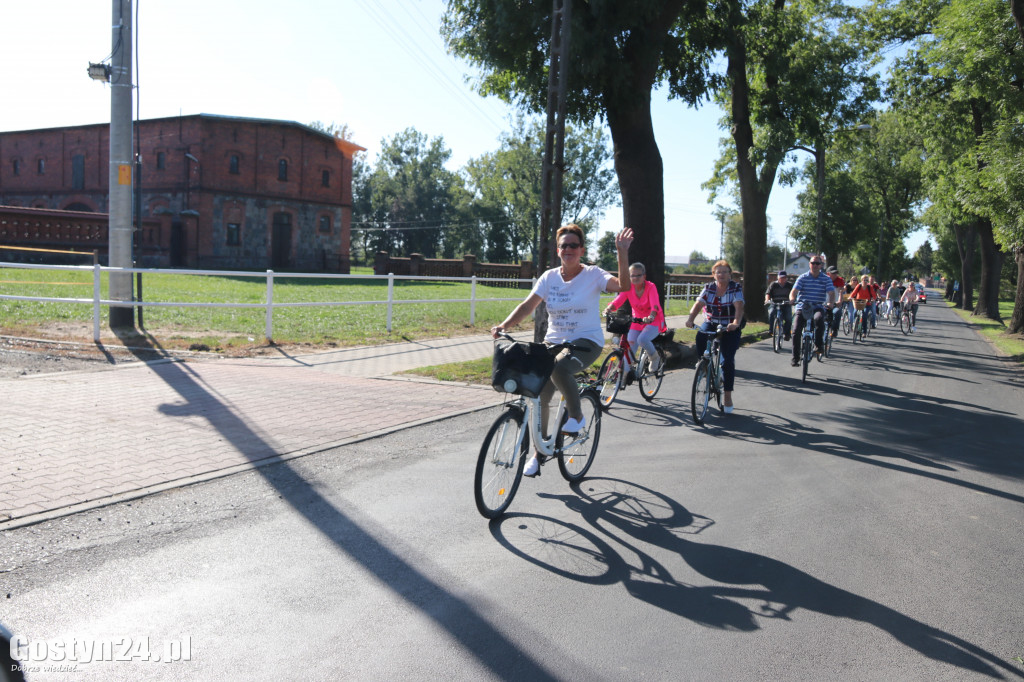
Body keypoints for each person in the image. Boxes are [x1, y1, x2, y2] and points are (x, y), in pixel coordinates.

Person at [491, 225, 633, 477]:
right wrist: (504, 325)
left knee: (559, 367)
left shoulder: (593, 274)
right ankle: (540, 451)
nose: (568, 249)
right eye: (564, 245)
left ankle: (577, 417)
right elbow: (527, 305)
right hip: (553, 343)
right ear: (558, 250)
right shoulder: (549, 277)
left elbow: (623, 286)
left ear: (581, 250)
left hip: (586, 343)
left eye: (573, 245)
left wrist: (622, 252)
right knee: (540, 395)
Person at [685, 260, 745, 413]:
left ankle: (727, 396)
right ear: (714, 275)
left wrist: (736, 323)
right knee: (700, 336)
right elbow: (698, 304)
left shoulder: (735, 287)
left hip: (729, 326)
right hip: (712, 322)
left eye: (725, 272)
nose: (721, 274)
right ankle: (704, 365)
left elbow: (739, 306)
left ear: (729, 274)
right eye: (718, 272)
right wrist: (690, 319)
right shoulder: (709, 288)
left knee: (727, 361)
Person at [604, 262, 667, 373]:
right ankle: (623, 376)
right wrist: (609, 308)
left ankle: (654, 357)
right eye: (632, 275)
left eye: (638, 275)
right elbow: (618, 300)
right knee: (630, 346)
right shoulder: (628, 287)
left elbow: (655, 305)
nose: (635, 278)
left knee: (642, 339)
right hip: (637, 321)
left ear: (644, 276)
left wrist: (651, 316)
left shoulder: (650, 287)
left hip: (654, 320)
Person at [789, 256, 837, 366]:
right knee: (796, 330)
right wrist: (792, 299)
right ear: (809, 264)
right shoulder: (802, 277)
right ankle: (795, 358)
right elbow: (794, 291)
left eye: (817, 263)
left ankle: (818, 345)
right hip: (803, 307)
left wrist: (831, 303)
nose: (815, 265)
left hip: (818, 306)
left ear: (821, 266)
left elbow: (831, 293)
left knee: (819, 319)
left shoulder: (826, 279)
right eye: (813, 263)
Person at [764, 270, 793, 341]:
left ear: (786, 278)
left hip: (786, 304)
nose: (783, 279)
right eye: (781, 277)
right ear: (778, 278)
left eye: (784, 277)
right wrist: (767, 300)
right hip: (775, 303)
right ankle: (771, 330)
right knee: (771, 313)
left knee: (788, 318)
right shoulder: (773, 284)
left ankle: (787, 333)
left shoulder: (790, 285)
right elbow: (768, 293)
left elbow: (793, 293)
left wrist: (792, 301)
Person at [825, 266, 846, 336]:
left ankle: (835, 329)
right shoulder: (824, 279)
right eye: (833, 273)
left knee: (838, 313)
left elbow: (840, 292)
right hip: (824, 301)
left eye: (836, 273)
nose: (835, 275)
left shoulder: (839, 280)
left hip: (835, 301)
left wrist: (840, 301)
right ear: (828, 273)